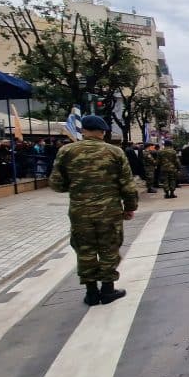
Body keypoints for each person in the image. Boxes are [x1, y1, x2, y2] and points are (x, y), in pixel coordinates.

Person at [48, 115, 138, 305]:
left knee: (85, 250)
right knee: (109, 248)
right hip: (109, 211)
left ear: (83, 130)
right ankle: (107, 290)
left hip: (80, 211)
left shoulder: (66, 151)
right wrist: (130, 207)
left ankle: (90, 293)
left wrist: (77, 187)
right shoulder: (114, 152)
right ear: (102, 132)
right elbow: (128, 186)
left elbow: (56, 184)